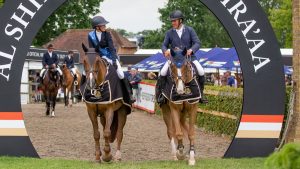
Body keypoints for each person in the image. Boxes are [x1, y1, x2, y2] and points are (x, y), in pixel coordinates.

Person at [158, 10, 208, 103]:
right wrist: (165, 51)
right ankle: (162, 94)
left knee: (201, 71)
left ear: (180, 20)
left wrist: (191, 50)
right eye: (172, 21)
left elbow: (197, 42)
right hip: (174, 59)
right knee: (163, 72)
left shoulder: (190, 30)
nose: (173, 23)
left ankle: (201, 94)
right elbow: (164, 45)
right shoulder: (169, 33)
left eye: (174, 21)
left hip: (189, 58)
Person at [83, 15, 135, 103]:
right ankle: (82, 92)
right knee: (85, 72)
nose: (105, 26)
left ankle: (129, 94)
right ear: (97, 27)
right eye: (103, 25)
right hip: (98, 57)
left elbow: (111, 47)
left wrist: (114, 60)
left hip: (110, 56)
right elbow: (92, 48)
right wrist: (96, 58)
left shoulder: (107, 34)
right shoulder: (90, 35)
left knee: (121, 74)